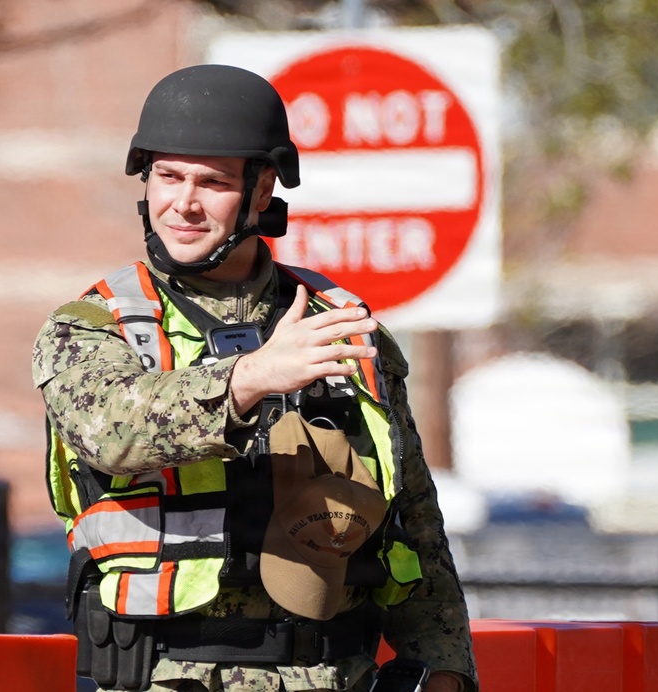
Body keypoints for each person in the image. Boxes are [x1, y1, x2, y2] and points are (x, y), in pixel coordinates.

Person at [32, 63, 477, 692]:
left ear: (263, 189)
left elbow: (412, 513)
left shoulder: (341, 326)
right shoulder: (93, 325)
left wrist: (446, 665)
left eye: (212, 182)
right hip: (166, 674)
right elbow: (111, 433)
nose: (182, 203)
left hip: (335, 672)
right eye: (168, 177)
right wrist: (251, 378)